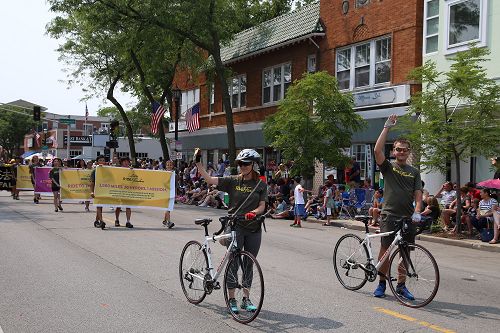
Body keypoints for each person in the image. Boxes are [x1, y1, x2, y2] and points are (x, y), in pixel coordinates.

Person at [195, 148, 267, 313]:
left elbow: (262, 205)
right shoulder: (232, 180)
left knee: (249, 263)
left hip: (254, 228)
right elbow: (209, 179)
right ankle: (232, 298)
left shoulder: (261, 184)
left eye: (246, 164)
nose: (243, 166)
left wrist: (253, 213)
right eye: (240, 164)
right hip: (235, 226)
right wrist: (198, 163)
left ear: (253, 165)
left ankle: (246, 299)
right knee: (233, 262)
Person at [372, 114, 423, 300]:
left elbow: (418, 194)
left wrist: (417, 211)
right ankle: (381, 284)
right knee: (385, 251)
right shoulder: (389, 167)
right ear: (394, 151)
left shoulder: (414, 172)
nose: (401, 152)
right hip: (389, 215)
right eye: (398, 150)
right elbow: (377, 151)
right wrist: (387, 127)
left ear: (409, 152)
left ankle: (401, 286)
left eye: (405, 150)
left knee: (405, 253)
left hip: (408, 217)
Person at [114, 157, 133, 228]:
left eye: (127, 161)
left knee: (128, 206)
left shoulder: (131, 170)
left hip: (128, 190)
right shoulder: (118, 170)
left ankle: (128, 221)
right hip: (119, 190)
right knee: (118, 206)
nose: (126, 163)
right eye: (124, 161)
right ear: (121, 162)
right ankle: (117, 220)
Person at [90, 155, 107, 230]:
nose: (102, 162)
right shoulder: (94, 171)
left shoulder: (107, 170)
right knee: (98, 206)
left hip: (104, 191)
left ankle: (97, 220)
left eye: (103, 160)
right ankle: (101, 221)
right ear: (97, 162)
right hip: (97, 191)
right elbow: (92, 182)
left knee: (100, 206)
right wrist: (91, 192)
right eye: (100, 160)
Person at [162, 160, 175, 228]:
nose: (169, 166)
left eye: (170, 165)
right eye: (168, 165)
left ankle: (165, 221)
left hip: (171, 192)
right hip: (165, 192)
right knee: (168, 207)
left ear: (172, 166)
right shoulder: (164, 173)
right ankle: (169, 222)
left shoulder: (174, 173)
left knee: (169, 208)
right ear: (166, 166)